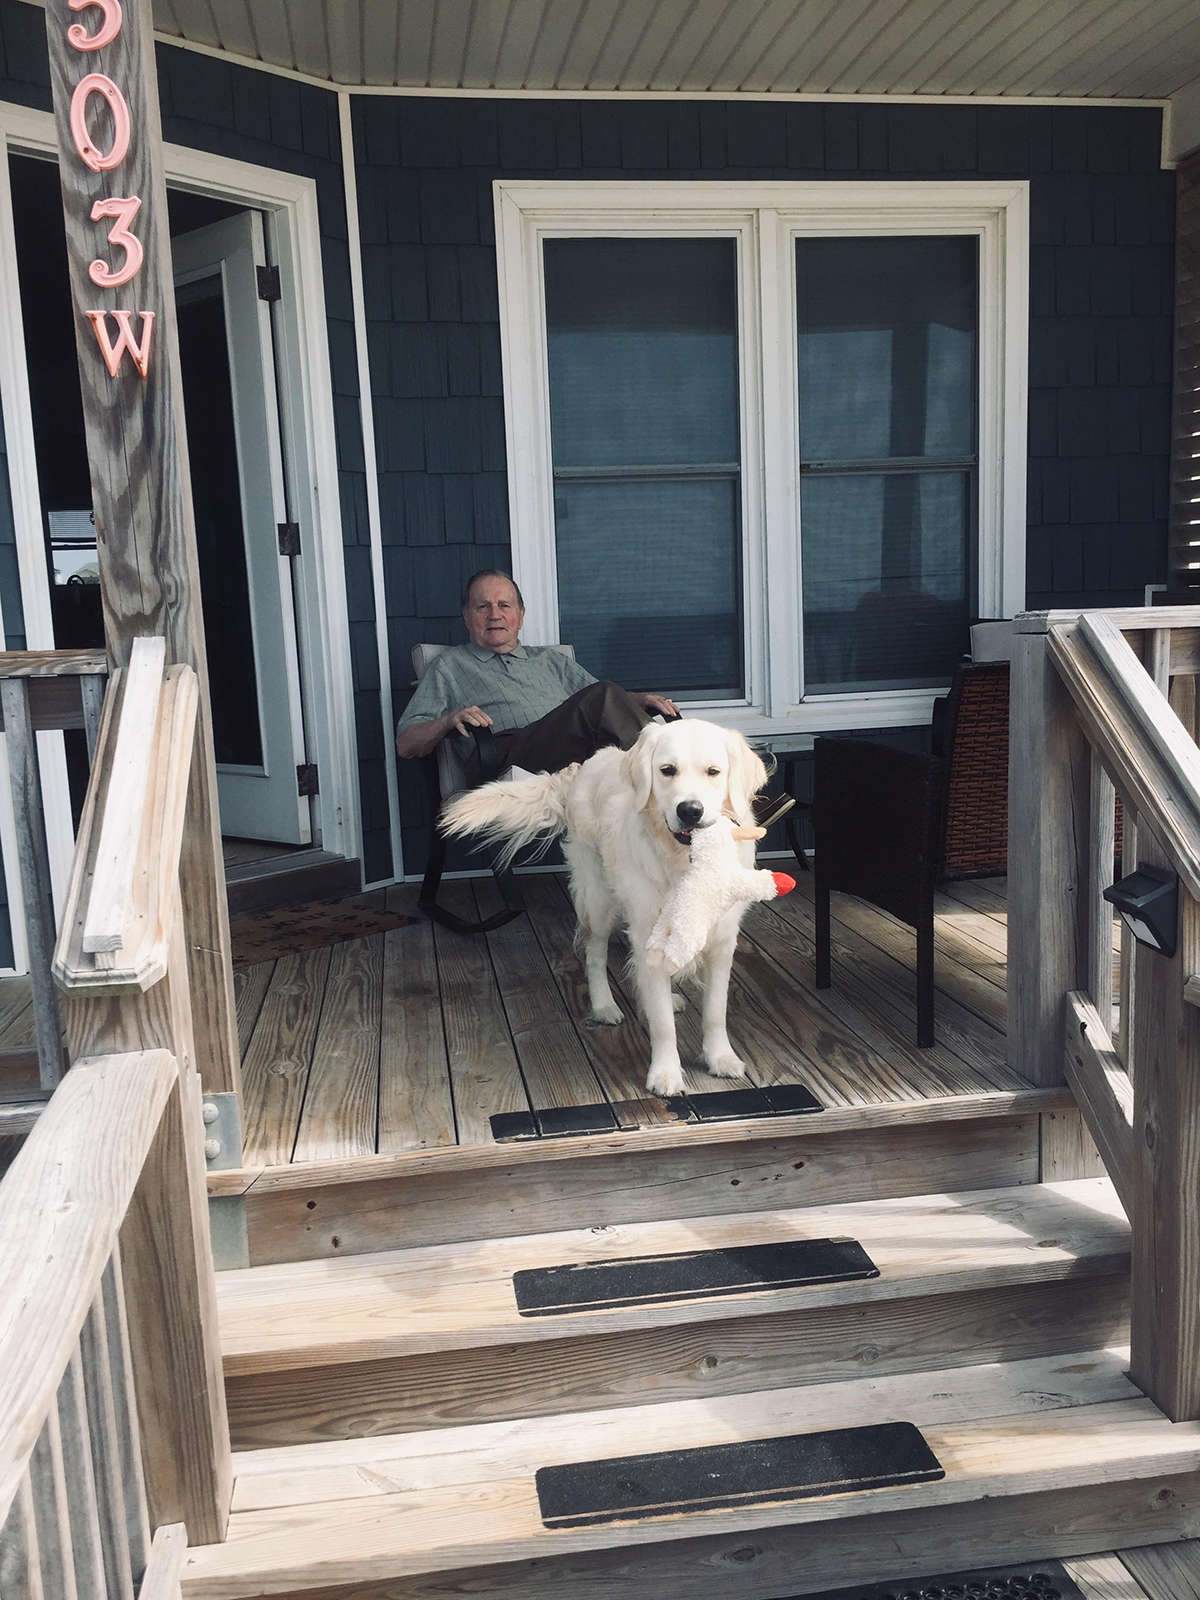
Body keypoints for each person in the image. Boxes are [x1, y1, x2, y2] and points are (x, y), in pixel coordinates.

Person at [395, 570, 681, 780]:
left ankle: (665, 775)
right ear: (467, 616)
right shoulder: (449, 665)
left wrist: (641, 700)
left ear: (520, 615)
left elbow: (605, 705)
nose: (494, 614)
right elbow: (406, 743)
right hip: (504, 755)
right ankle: (672, 769)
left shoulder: (550, 660)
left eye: (504, 605)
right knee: (604, 695)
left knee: (607, 717)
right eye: (483, 606)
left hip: (569, 750)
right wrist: (448, 720)